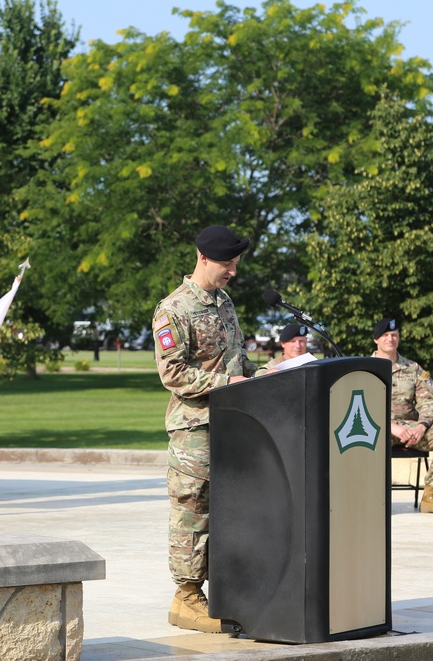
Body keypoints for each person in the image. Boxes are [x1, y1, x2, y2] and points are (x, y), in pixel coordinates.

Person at [152, 224, 257, 633]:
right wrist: (225, 385)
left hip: (234, 425)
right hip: (195, 430)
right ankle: (187, 597)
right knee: (192, 511)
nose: (233, 272)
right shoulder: (173, 309)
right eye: (227, 264)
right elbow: (173, 373)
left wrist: (267, 374)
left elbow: (238, 361)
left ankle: (227, 590)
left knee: (229, 511)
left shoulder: (224, 303)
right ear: (203, 258)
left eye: (235, 264)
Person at [371, 317, 433, 515]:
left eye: (394, 335)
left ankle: (430, 496)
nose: (390, 339)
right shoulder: (364, 369)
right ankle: (371, 499)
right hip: (377, 429)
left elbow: (427, 402)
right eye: (385, 335)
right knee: (361, 439)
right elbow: (359, 408)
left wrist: (421, 426)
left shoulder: (414, 369)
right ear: (376, 340)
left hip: (412, 429)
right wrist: (390, 426)